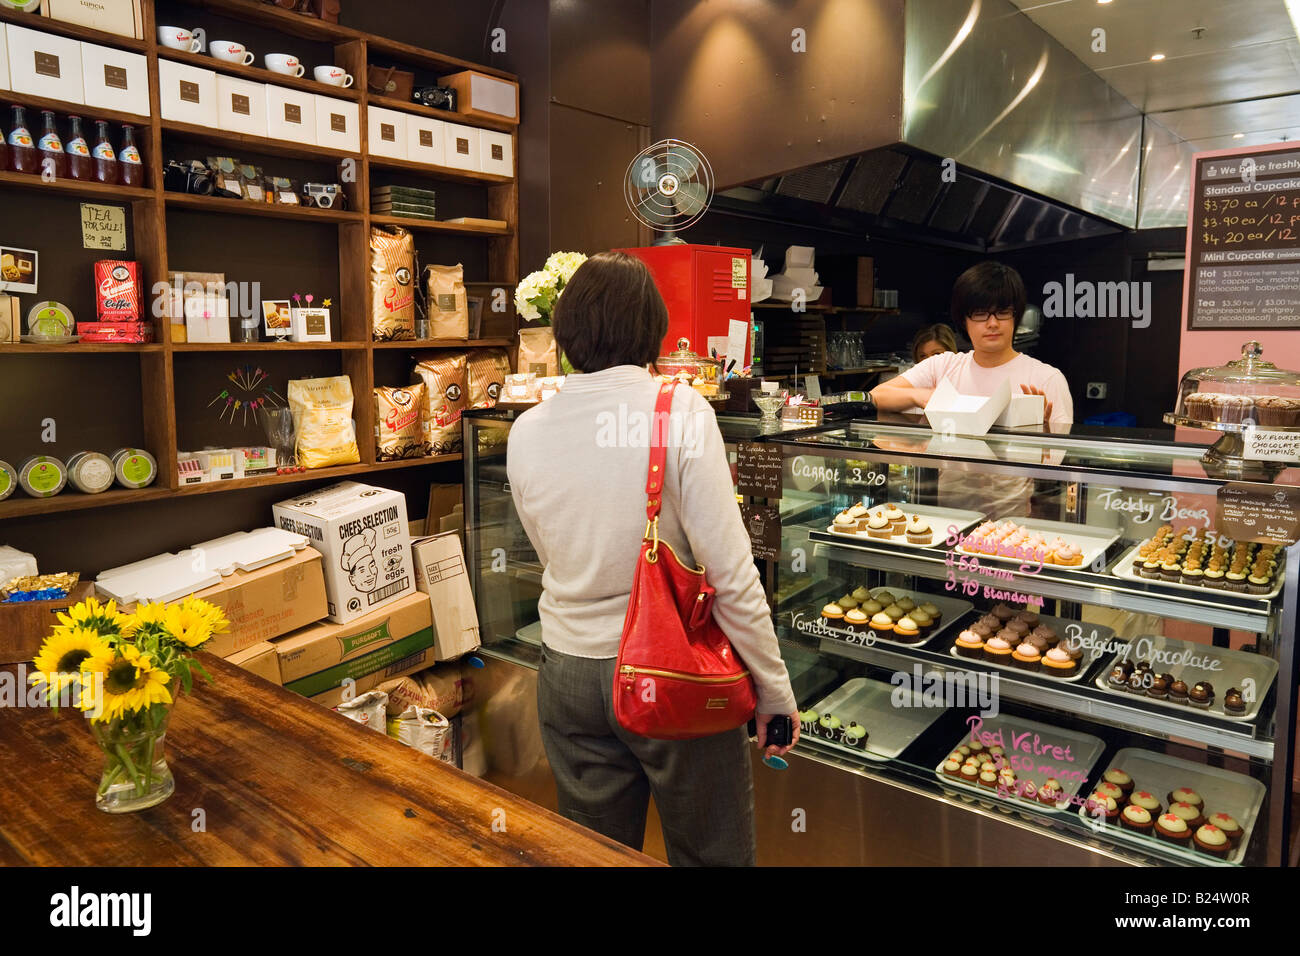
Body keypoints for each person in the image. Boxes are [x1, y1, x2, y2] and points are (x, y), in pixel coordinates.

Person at [506, 251, 797, 867]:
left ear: (565, 332)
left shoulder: (526, 429)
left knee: (594, 855)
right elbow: (731, 574)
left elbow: (545, 547)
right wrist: (773, 690)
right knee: (711, 855)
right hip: (673, 670)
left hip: (567, 675)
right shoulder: (682, 410)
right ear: (651, 330)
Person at [872, 262, 1073, 426]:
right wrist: (919, 395)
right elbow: (876, 396)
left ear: (1016, 317)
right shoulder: (942, 366)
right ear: (964, 321)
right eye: (980, 314)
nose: (992, 323)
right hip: (946, 477)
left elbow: (1056, 462)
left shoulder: (1047, 379)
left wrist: (1044, 437)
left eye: (1002, 312)